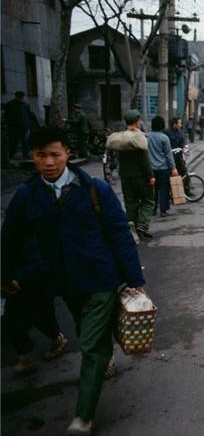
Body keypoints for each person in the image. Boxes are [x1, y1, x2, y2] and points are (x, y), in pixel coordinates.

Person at [1, 128, 146, 436]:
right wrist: (5, 274)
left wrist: (135, 278)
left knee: (91, 345)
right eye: (41, 156)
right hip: (63, 281)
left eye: (55, 154)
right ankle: (103, 357)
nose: (49, 162)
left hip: (100, 276)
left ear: (68, 153)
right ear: (33, 158)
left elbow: (120, 233)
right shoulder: (27, 195)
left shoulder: (94, 189)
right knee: (85, 329)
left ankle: (83, 417)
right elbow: (10, 237)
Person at [118, 110, 155, 241]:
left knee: (130, 202)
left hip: (125, 176)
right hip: (141, 176)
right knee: (148, 200)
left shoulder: (121, 137)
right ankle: (142, 225)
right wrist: (150, 175)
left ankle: (131, 230)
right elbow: (144, 159)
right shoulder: (139, 137)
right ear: (137, 121)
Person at [148, 116, 178, 217]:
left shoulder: (147, 137)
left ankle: (153, 209)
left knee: (153, 190)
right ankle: (163, 210)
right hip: (163, 168)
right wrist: (173, 168)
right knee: (163, 189)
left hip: (151, 168)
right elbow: (168, 154)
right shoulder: (164, 138)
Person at [5, 91, 32, 159]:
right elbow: (7, 115)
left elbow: (28, 115)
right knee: (14, 141)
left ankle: (25, 154)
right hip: (14, 126)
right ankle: (12, 154)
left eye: (22, 97)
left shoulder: (25, 104)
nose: (21, 98)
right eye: (20, 97)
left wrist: (28, 124)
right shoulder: (11, 104)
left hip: (23, 126)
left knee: (24, 141)